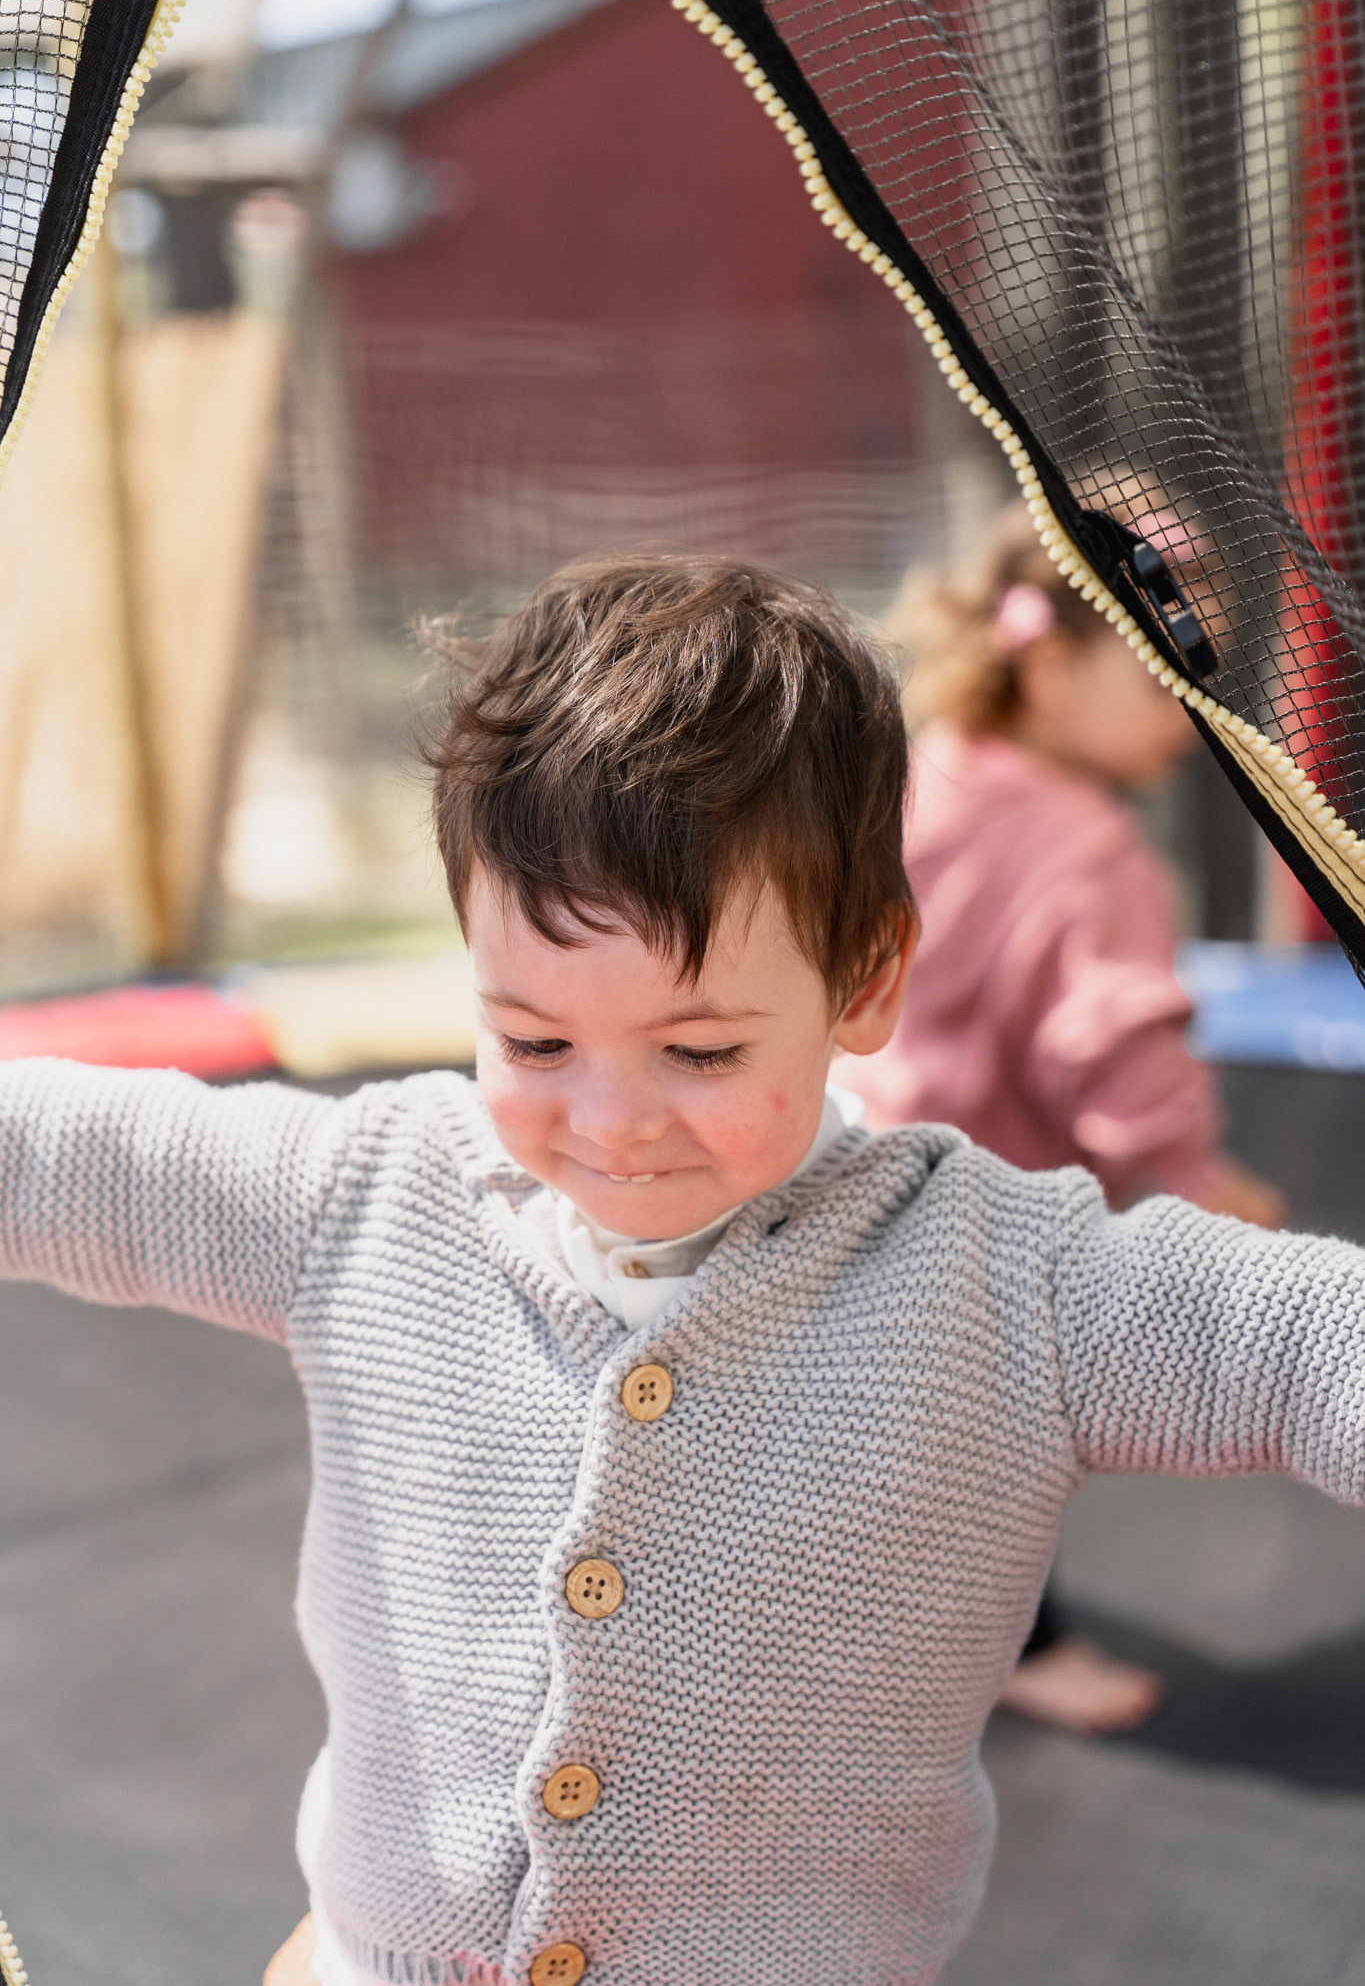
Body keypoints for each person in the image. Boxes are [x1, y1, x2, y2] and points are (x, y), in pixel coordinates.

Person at [0, 553, 1354, 1986]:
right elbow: (69, 1157)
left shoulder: (1006, 1285)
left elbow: (1298, 1342)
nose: (609, 1120)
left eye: (700, 1051)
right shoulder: (368, 1192)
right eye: (532, 1039)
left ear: (868, 981)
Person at [837, 502, 1285, 1734]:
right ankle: (1012, 1646)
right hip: (983, 1208)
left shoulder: (925, 764)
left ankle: (851, 1611)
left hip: (854, 1153)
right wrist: (1189, 1169)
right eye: (1162, 667)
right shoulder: (1091, 851)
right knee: (999, 1447)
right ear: (1045, 659)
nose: (1191, 701)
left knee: (889, 1429)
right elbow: (1114, 1039)